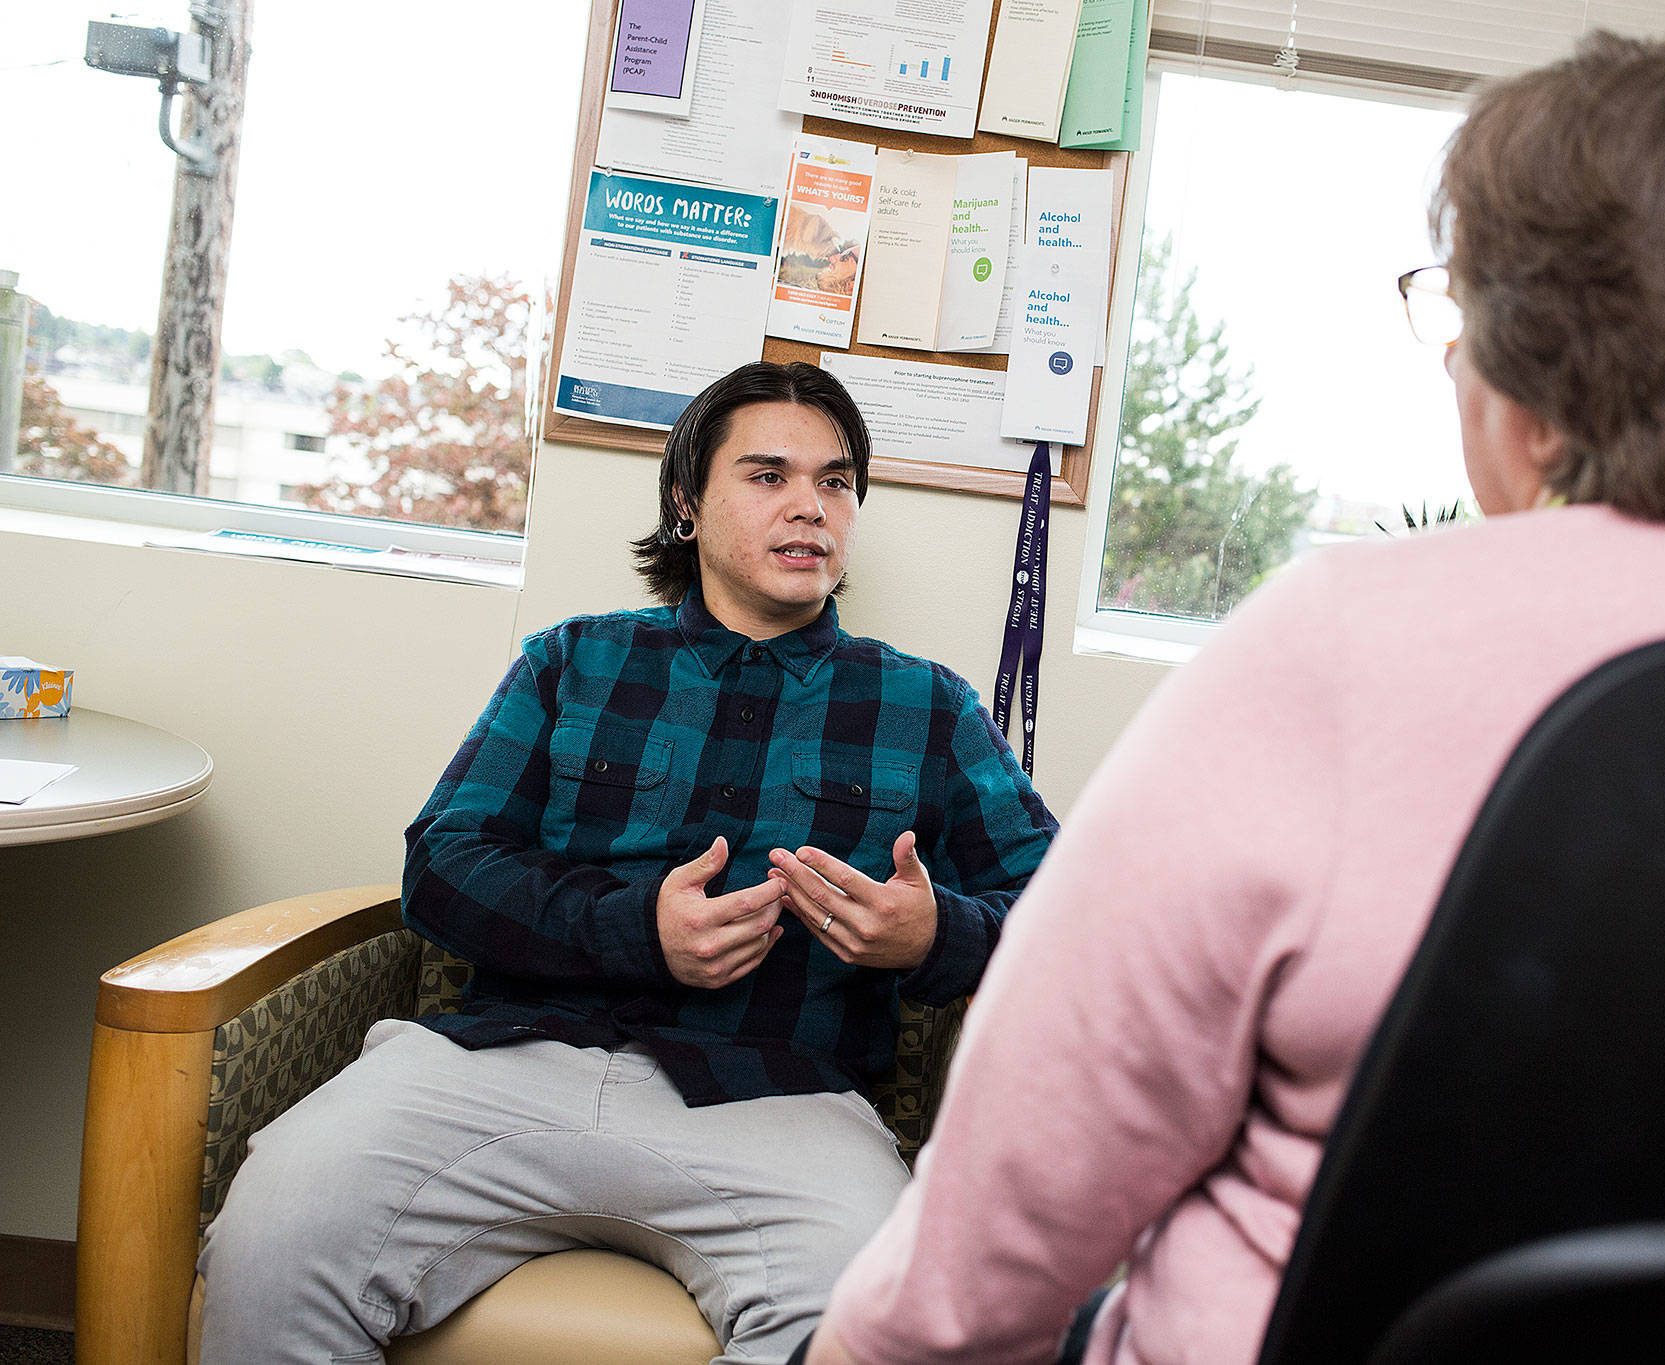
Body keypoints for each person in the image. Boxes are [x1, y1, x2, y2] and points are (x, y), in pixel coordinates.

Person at [797, 33, 1665, 1365]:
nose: (1454, 366)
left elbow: (980, 1268)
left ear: (1545, 364)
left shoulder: (1344, 645)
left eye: (1465, 312)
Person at [197, 361, 1058, 1363]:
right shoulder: (572, 662)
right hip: (503, 1064)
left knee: (863, 1318)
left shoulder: (928, 706)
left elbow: (1066, 919)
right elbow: (442, 866)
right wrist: (632, 926)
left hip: (777, 1100)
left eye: (834, 482)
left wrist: (933, 934)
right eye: (768, 475)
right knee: (274, 1241)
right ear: (687, 506)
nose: (809, 507)